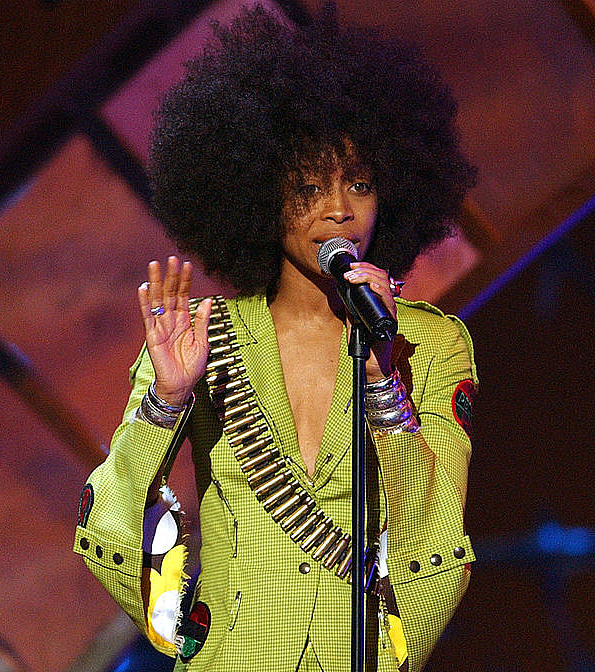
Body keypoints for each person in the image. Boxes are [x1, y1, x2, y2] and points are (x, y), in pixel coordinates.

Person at [74, 6, 477, 672]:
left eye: (359, 183)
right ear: (258, 193)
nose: (338, 209)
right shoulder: (201, 336)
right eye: (308, 185)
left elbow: (435, 543)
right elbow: (107, 533)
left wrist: (382, 375)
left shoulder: (427, 345)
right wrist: (166, 403)